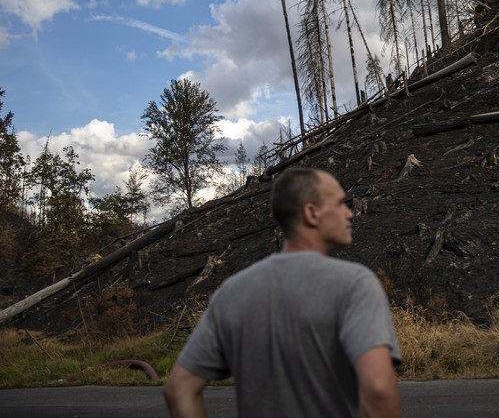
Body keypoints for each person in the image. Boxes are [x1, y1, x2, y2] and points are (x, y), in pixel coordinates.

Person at [163, 167, 402, 418]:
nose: (350, 213)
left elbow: (179, 388)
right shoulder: (355, 284)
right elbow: (378, 389)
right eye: (341, 203)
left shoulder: (232, 292)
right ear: (312, 213)